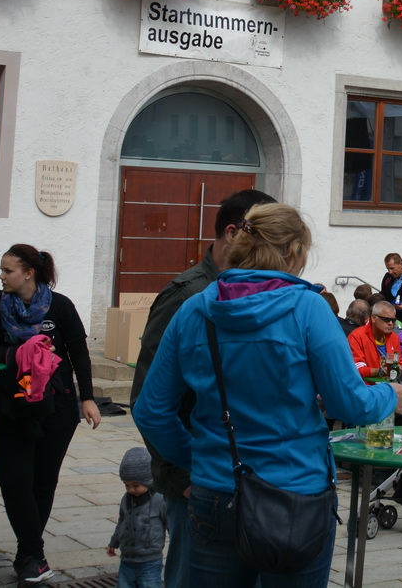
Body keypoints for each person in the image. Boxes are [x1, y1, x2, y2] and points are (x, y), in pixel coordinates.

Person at [136, 203, 402, 588]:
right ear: (293, 253)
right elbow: (347, 403)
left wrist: (197, 457)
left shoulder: (195, 309)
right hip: (296, 491)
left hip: (217, 489)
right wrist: (388, 394)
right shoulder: (308, 309)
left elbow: (151, 411)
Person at [130, 188, 267, 588]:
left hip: (246, 479)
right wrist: (184, 473)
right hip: (197, 482)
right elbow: (147, 400)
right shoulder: (187, 296)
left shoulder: (254, 292)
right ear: (232, 233)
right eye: (263, 235)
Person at [0, 244, 102, 584]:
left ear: (28, 273)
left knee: (43, 482)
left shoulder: (59, 307)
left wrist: (87, 398)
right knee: (14, 481)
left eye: (7, 270)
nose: (1, 276)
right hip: (12, 404)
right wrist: (24, 352)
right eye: (2, 270)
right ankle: (34, 552)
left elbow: (79, 353)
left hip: (57, 406)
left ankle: (29, 555)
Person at [107, 447, 168, 588]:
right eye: (126, 485)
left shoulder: (159, 500)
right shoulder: (126, 499)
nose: (130, 490)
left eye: (136, 485)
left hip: (150, 562)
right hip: (127, 559)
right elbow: (121, 521)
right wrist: (114, 542)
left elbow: (170, 524)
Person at [348, 301, 402, 377]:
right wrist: (383, 371)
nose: (391, 323)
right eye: (386, 319)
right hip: (367, 386)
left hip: (389, 385)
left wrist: (401, 368)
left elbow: (399, 363)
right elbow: (357, 369)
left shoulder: (394, 338)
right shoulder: (356, 336)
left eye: (393, 320)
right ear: (373, 318)